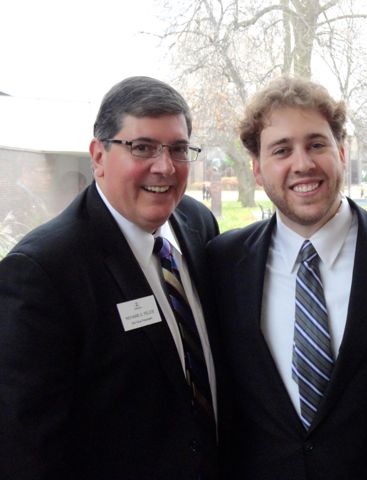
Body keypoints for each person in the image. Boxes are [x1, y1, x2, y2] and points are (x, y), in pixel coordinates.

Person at [207, 76, 367, 480]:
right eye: (281, 150)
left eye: (316, 144)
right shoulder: (221, 264)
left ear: (341, 151)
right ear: (257, 169)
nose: (303, 164)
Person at [0, 76, 220, 479]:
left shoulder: (198, 223)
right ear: (98, 156)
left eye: (178, 148)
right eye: (142, 147)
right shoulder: (43, 272)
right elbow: (27, 449)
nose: (165, 166)